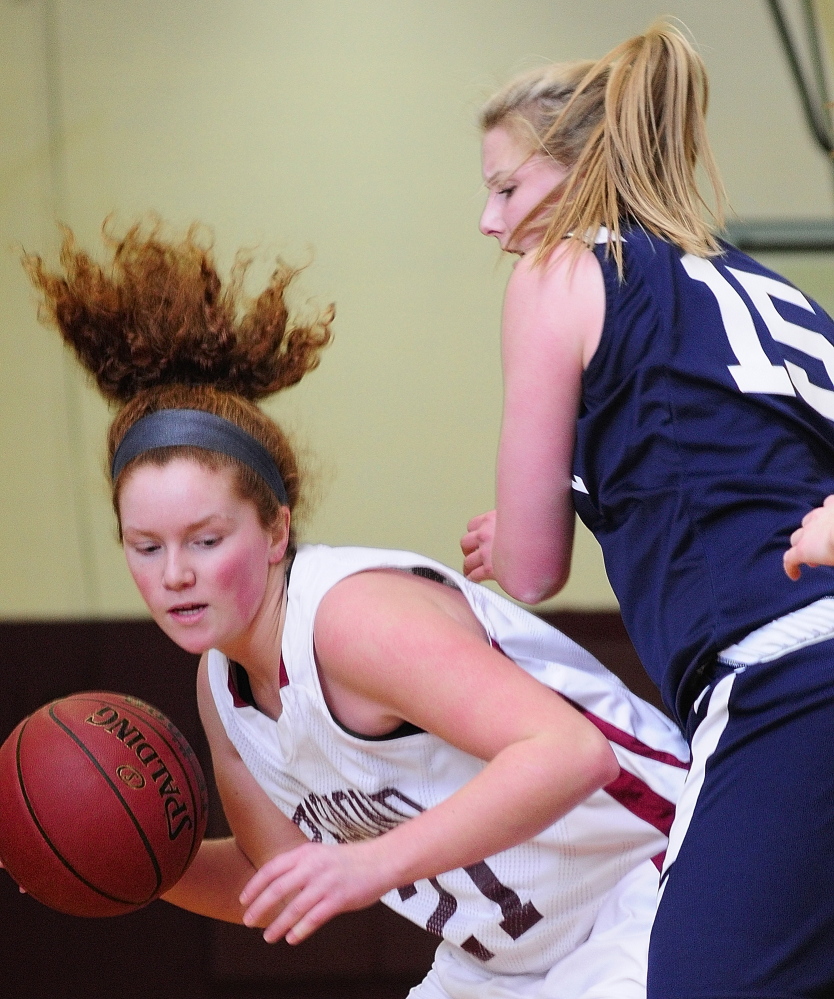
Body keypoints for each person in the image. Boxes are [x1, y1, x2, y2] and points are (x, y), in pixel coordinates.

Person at [16, 219, 688, 999]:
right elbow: (277, 874)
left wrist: (370, 862)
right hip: (505, 961)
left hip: (654, 882)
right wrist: (117, 860)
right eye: (146, 545)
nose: (175, 574)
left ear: (274, 529)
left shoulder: (349, 620)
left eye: (205, 539)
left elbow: (571, 753)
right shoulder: (221, 687)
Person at [459, 20, 834, 999]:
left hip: (790, 673)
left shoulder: (560, 273)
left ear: (583, 169)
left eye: (507, 187)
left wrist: (519, 530)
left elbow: (536, 572)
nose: (490, 224)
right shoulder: (755, 283)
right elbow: (711, 458)